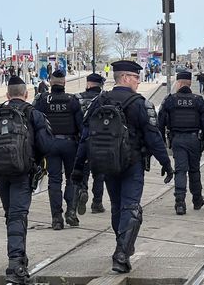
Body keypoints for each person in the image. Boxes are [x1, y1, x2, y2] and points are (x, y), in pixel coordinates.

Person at [72, 60, 174, 273]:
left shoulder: (99, 102)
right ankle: (121, 253)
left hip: (106, 164)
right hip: (132, 163)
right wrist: (166, 162)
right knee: (131, 207)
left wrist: (78, 168)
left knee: (117, 206)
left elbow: (85, 137)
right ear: (125, 78)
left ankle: (122, 247)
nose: (138, 81)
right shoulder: (139, 103)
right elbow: (153, 136)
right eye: (136, 77)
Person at [0, 75, 55, 284]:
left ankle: (19, 255)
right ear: (26, 94)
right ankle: (16, 263)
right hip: (23, 172)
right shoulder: (33, 114)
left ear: (7, 95)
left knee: (11, 214)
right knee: (18, 215)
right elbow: (47, 145)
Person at [158, 71, 204, 215]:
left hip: (177, 140)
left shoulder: (170, 100)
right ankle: (197, 200)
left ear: (179, 83)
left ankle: (180, 203)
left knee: (180, 170)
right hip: (194, 140)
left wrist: (161, 142)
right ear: (189, 83)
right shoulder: (199, 100)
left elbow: (160, 123)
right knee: (194, 170)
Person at [33, 69, 83, 230]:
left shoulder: (42, 100)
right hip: (70, 144)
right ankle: (71, 212)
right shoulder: (72, 100)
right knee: (72, 179)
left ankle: (56, 218)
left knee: (54, 181)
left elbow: (35, 122)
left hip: (50, 144)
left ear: (50, 82)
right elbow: (81, 125)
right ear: (64, 83)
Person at [74, 73, 107, 214]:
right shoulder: (105, 99)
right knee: (99, 174)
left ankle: (82, 190)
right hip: (100, 142)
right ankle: (97, 203)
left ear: (88, 84)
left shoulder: (77, 99)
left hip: (81, 141)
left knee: (83, 170)